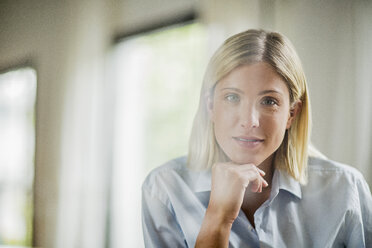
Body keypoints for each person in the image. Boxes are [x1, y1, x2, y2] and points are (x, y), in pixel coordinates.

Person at [141, 29, 372, 247]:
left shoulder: (345, 190)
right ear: (210, 106)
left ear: (292, 113)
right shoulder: (165, 189)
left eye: (269, 101)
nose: (250, 120)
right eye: (232, 97)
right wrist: (218, 218)